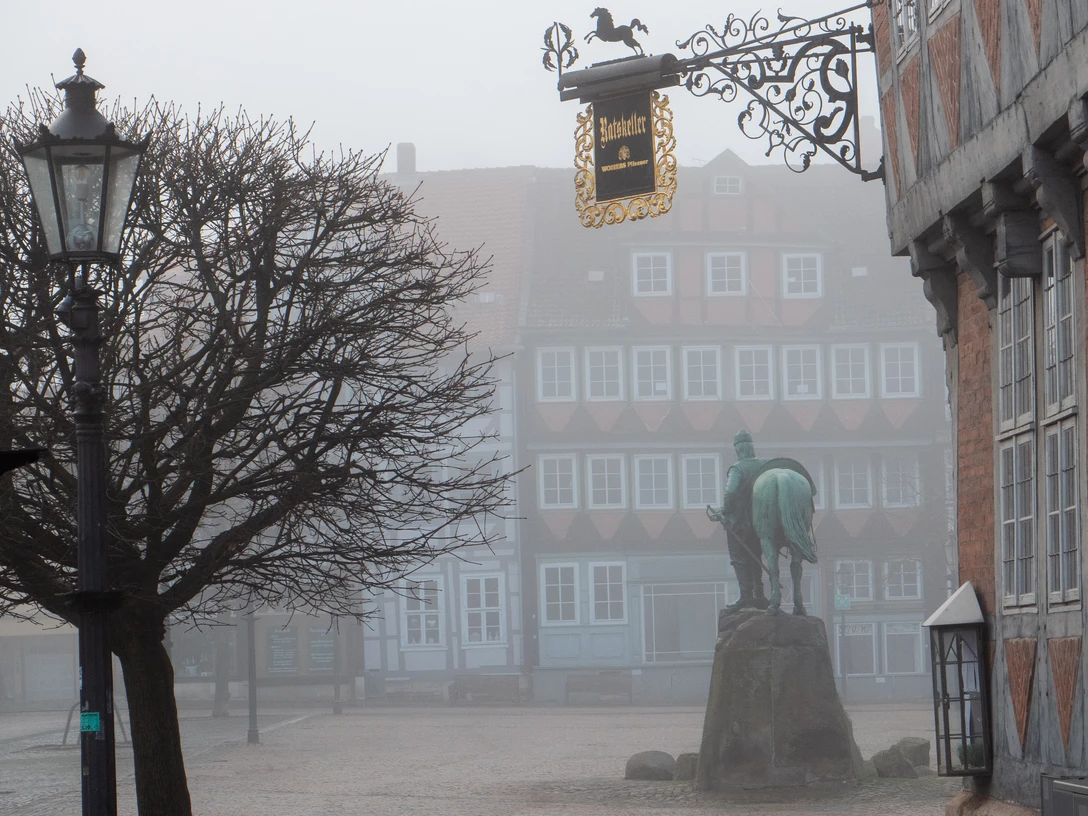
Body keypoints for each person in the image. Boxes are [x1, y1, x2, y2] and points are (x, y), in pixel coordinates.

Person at [710, 430, 770, 611]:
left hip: (740, 522)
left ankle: (746, 596)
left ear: (738, 450)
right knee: (756, 556)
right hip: (761, 520)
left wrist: (726, 510)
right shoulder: (765, 465)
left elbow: (731, 491)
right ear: (751, 448)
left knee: (738, 557)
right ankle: (759, 593)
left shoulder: (737, 469)